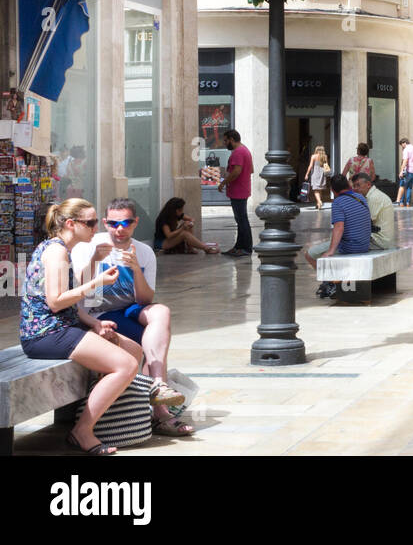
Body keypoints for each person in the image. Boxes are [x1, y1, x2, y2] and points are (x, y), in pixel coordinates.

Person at [20, 199, 142, 455]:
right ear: (71, 224)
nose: (95, 227)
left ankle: (112, 419)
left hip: (63, 326)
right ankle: (83, 430)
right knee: (126, 365)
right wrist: (96, 283)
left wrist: (94, 322)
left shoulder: (62, 248)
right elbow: (55, 302)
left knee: (133, 350)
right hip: (46, 333)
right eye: (90, 222)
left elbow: (70, 299)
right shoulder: (56, 251)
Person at [71, 198, 192, 437]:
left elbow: (145, 300)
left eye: (126, 222)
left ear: (135, 223)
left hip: (127, 310)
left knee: (161, 313)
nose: (120, 228)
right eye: (114, 223)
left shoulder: (143, 251)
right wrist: (96, 260)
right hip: (96, 314)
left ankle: (158, 385)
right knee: (149, 343)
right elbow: (76, 292)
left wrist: (136, 269)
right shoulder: (88, 246)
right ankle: (161, 414)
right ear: (105, 223)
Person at [306, 174, 373, 268]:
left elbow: (339, 227)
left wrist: (331, 251)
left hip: (350, 247)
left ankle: (329, 280)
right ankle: (333, 279)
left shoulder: (338, 202)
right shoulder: (360, 197)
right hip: (365, 245)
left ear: (333, 190)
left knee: (310, 255)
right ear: (348, 185)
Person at [218, 129, 254, 257]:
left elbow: (237, 171)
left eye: (226, 140)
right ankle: (239, 246)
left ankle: (247, 248)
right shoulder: (245, 150)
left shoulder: (238, 152)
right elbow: (251, 169)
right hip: (242, 189)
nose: (224, 143)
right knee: (240, 219)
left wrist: (224, 182)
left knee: (242, 219)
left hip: (238, 191)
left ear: (232, 140)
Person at [351, 170, 396, 249]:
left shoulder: (374, 198)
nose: (355, 189)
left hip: (379, 241)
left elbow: (363, 222)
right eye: (354, 186)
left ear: (368, 184)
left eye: (358, 185)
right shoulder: (371, 195)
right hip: (378, 238)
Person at [305, 145, 330, 210]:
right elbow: (326, 166)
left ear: (316, 150)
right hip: (322, 174)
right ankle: (318, 205)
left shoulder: (313, 156)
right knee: (320, 189)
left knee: (316, 190)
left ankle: (319, 201)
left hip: (315, 173)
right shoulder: (325, 156)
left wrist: (307, 174)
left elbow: (310, 166)